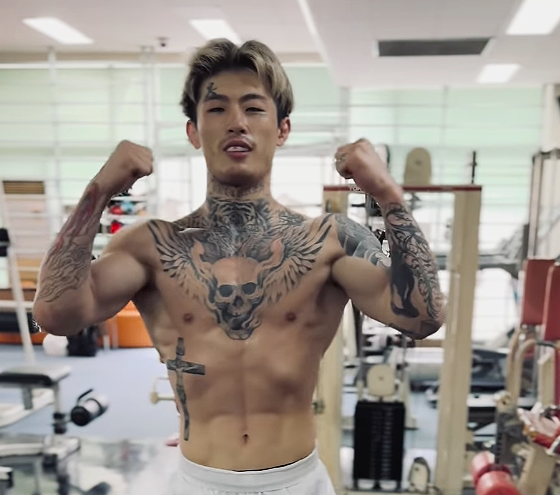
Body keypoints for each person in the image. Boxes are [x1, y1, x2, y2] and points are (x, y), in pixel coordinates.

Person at [33, 38, 446, 495]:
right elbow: (56, 314)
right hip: (199, 482)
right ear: (193, 132)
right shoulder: (153, 246)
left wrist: (387, 193)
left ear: (282, 129)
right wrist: (98, 191)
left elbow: (423, 317)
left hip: (297, 482)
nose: (236, 122)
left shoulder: (329, 241)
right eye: (216, 109)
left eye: (253, 108)